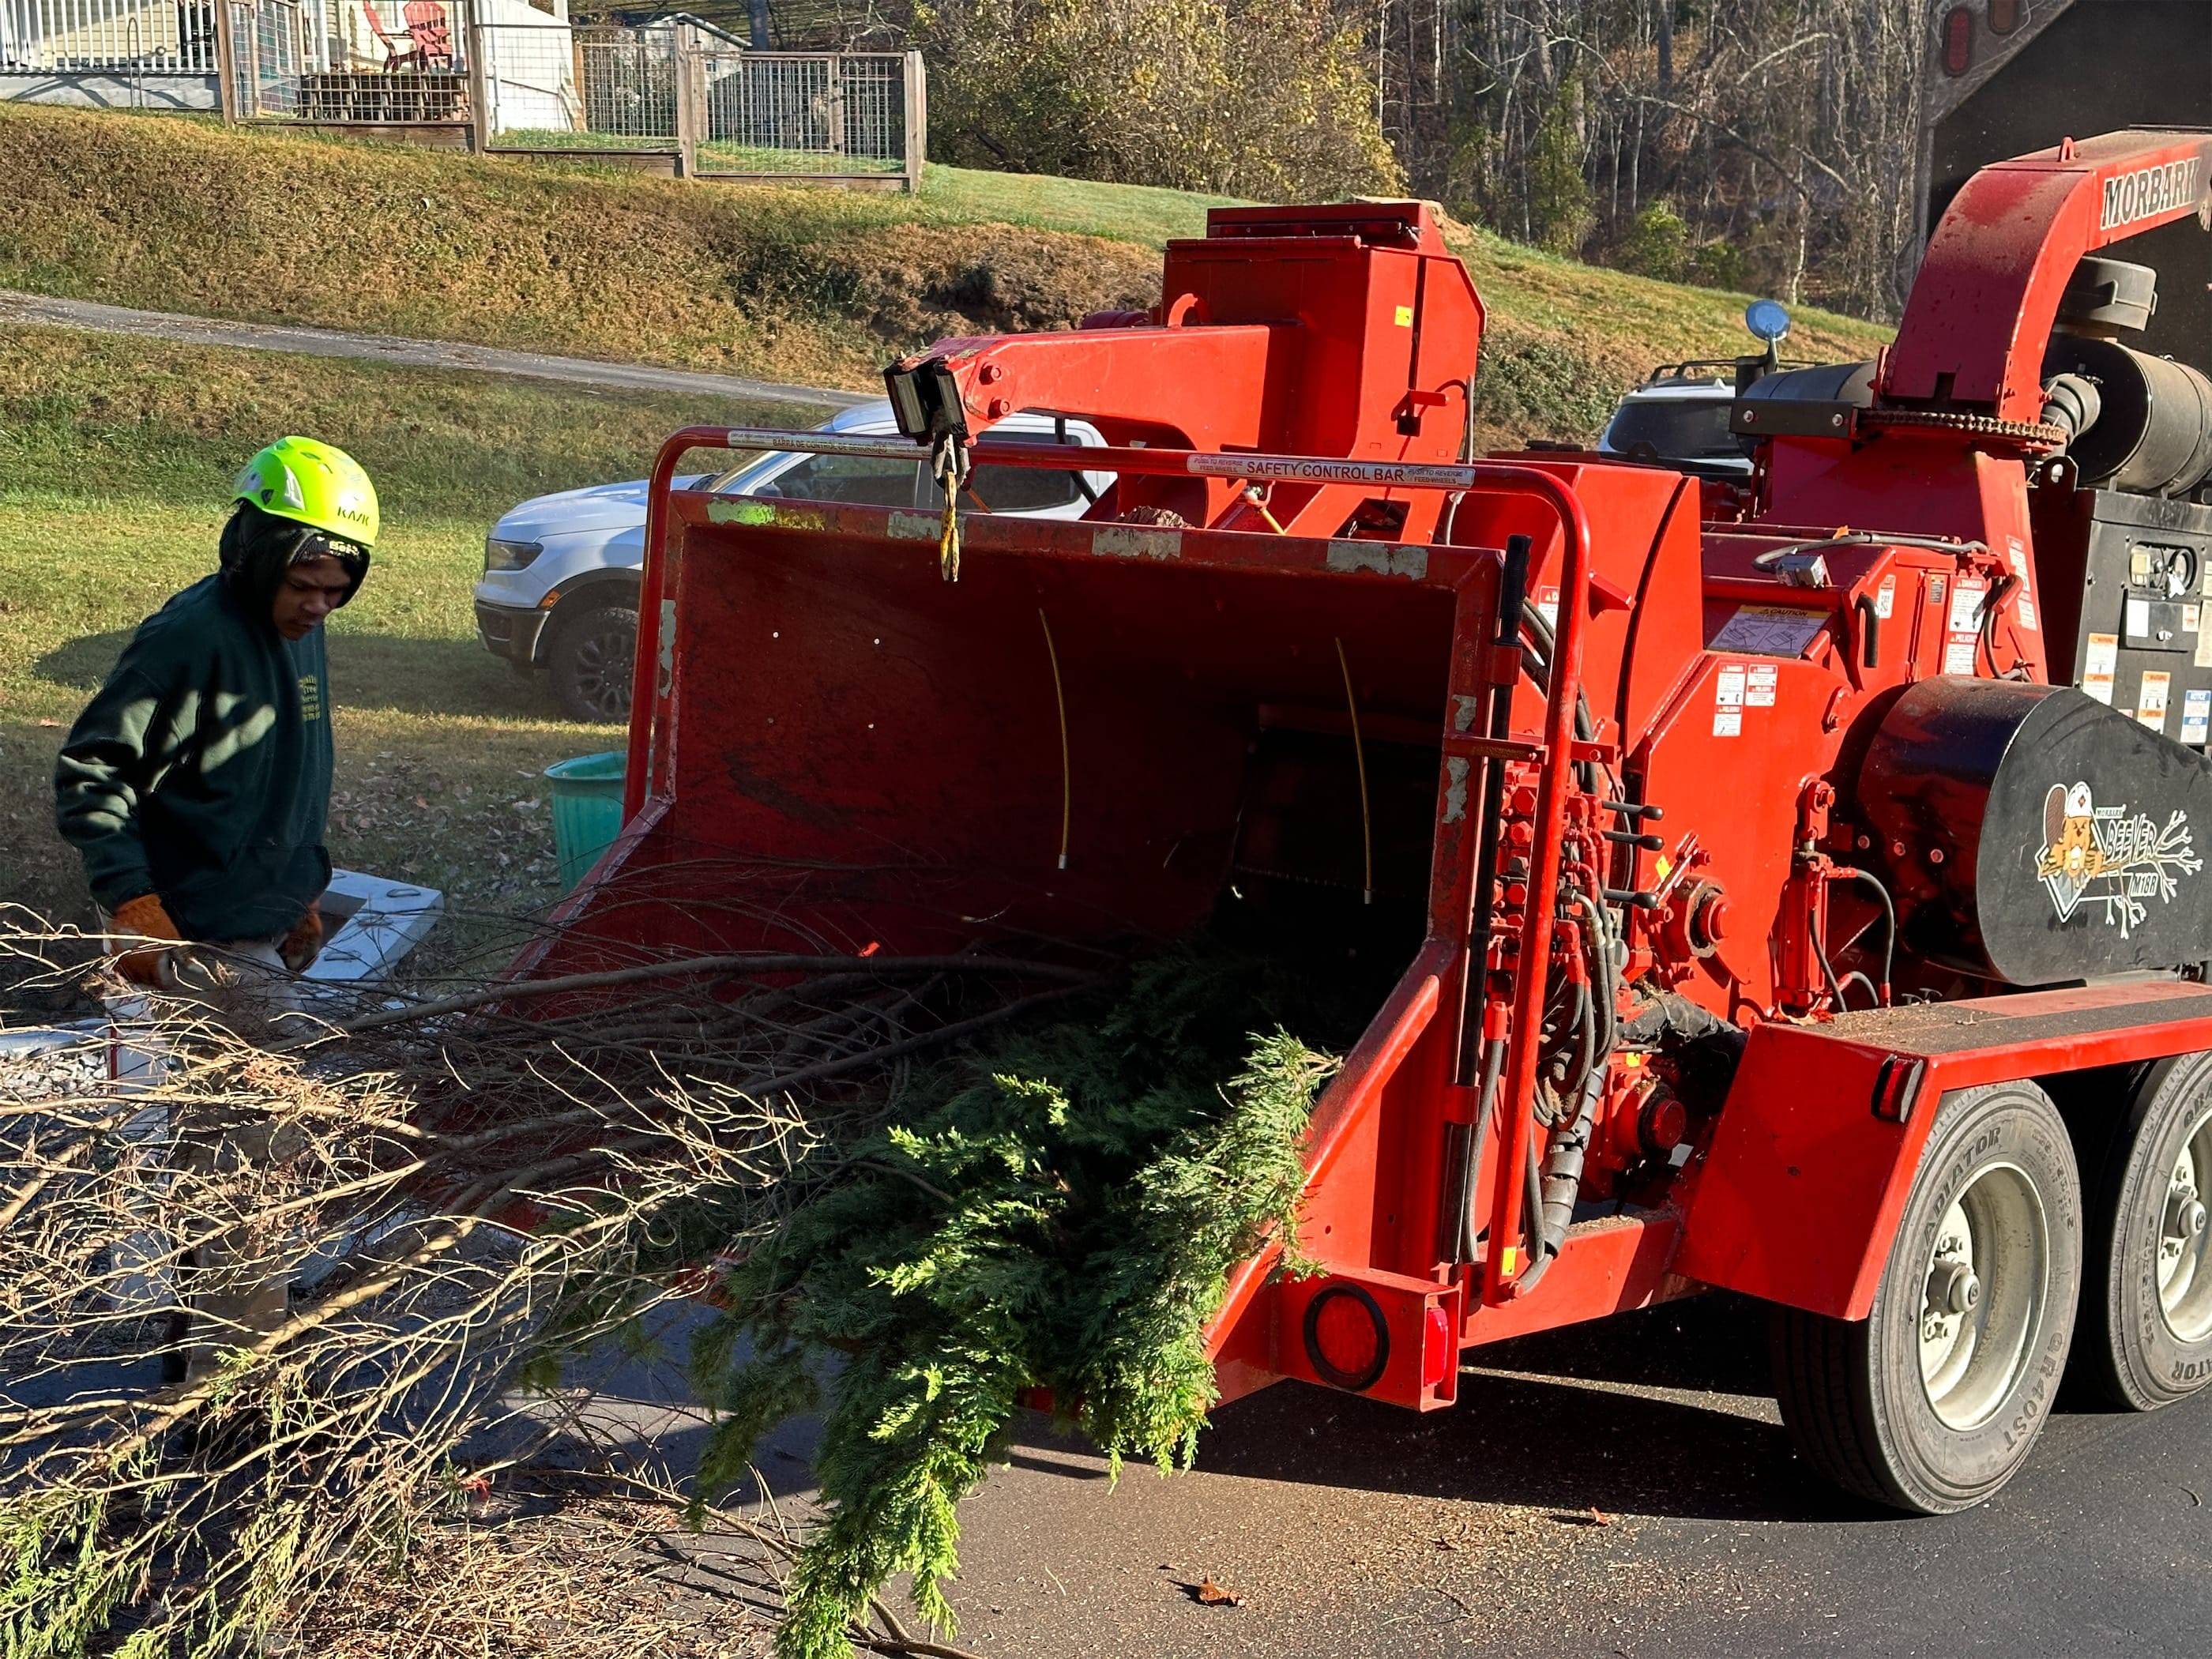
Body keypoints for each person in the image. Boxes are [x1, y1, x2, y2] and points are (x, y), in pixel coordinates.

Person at [53, 435, 378, 1386]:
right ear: (255, 551)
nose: (317, 606)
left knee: (229, 1147)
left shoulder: (298, 631)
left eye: (336, 589)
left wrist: (300, 890)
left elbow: (283, 769)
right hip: (200, 936)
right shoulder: (189, 637)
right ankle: (235, 1387)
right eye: (304, 584)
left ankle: (200, 1369)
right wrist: (131, 900)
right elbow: (93, 767)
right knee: (261, 1149)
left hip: (259, 922)